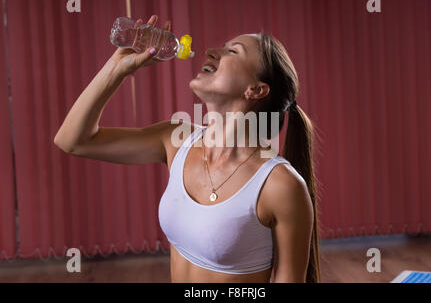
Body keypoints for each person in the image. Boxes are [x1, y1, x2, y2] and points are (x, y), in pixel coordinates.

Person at [54, 15, 320, 283]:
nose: (211, 52)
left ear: (256, 89)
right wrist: (117, 68)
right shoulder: (177, 140)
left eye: (232, 51)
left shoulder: (280, 186)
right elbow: (74, 141)